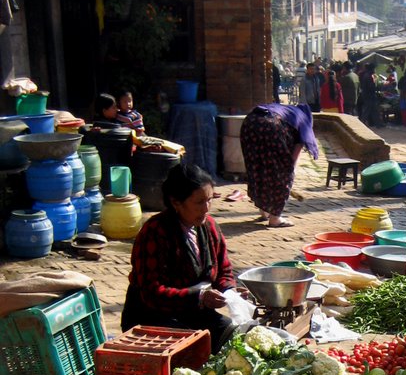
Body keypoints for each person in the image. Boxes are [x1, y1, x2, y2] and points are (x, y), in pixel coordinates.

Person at [121, 163, 239, 352]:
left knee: (234, 337)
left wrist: (229, 291)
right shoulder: (154, 232)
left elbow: (223, 269)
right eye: (199, 202)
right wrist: (199, 297)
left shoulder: (209, 227)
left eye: (209, 200)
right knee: (195, 349)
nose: (206, 208)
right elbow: (152, 292)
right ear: (176, 202)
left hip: (193, 314)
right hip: (152, 318)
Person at [240, 102, 318, 229]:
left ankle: (264, 211)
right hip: (272, 125)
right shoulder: (304, 120)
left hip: (249, 122)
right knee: (282, 172)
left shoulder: (287, 110)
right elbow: (292, 160)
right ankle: (275, 218)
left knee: (257, 166)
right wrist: (289, 173)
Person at [359, 63, 381, 127]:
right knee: (367, 110)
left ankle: (378, 123)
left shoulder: (368, 75)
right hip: (369, 95)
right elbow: (371, 87)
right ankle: (362, 123)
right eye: (374, 68)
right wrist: (378, 87)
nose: (375, 70)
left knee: (374, 110)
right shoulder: (369, 76)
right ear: (372, 69)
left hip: (368, 95)